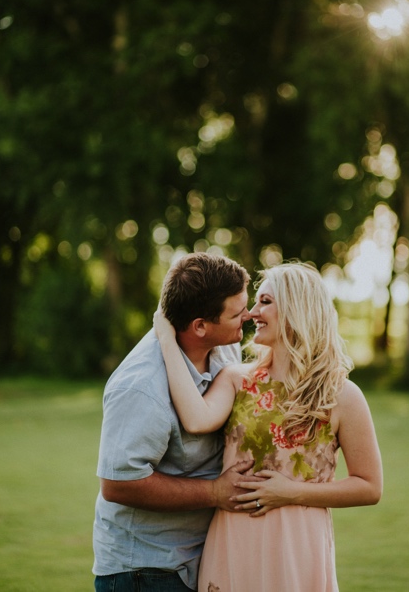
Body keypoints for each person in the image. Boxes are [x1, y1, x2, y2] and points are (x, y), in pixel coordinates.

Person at [154, 260, 383, 592]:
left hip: (298, 547)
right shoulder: (236, 379)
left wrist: (292, 492)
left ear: (296, 309)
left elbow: (369, 487)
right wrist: (165, 339)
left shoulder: (342, 395)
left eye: (265, 302)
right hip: (234, 541)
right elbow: (196, 418)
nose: (250, 313)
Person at [93, 252, 258, 592]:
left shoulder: (224, 349)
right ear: (200, 326)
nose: (250, 315)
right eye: (237, 312)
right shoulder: (141, 386)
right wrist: (216, 491)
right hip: (146, 570)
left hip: (200, 557)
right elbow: (118, 484)